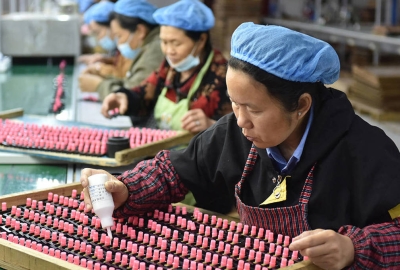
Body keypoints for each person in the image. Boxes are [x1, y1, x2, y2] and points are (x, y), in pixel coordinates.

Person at [80, 22, 400, 269]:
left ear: (301, 105)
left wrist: (353, 249)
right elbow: (174, 171)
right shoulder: (234, 132)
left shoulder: (365, 152)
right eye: (234, 104)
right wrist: (127, 188)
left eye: (255, 109)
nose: (241, 120)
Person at [100, 0, 232, 133]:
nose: (169, 51)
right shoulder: (170, 68)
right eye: (164, 42)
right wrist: (124, 97)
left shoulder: (222, 76)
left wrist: (213, 125)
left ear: (201, 40)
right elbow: (145, 93)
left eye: (176, 43)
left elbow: (241, 130)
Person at [78, 0, 164, 100]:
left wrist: (99, 86)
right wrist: (102, 77)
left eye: (119, 36)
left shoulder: (155, 50)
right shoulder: (147, 45)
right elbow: (129, 81)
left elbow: (133, 95)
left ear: (140, 31)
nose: (118, 44)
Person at [78, 0, 132, 79]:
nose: (98, 39)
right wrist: (106, 60)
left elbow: (124, 76)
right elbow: (120, 64)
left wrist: (99, 69)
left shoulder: (130, 46)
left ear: (112, 26)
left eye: (98, 33)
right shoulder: (122, 49)